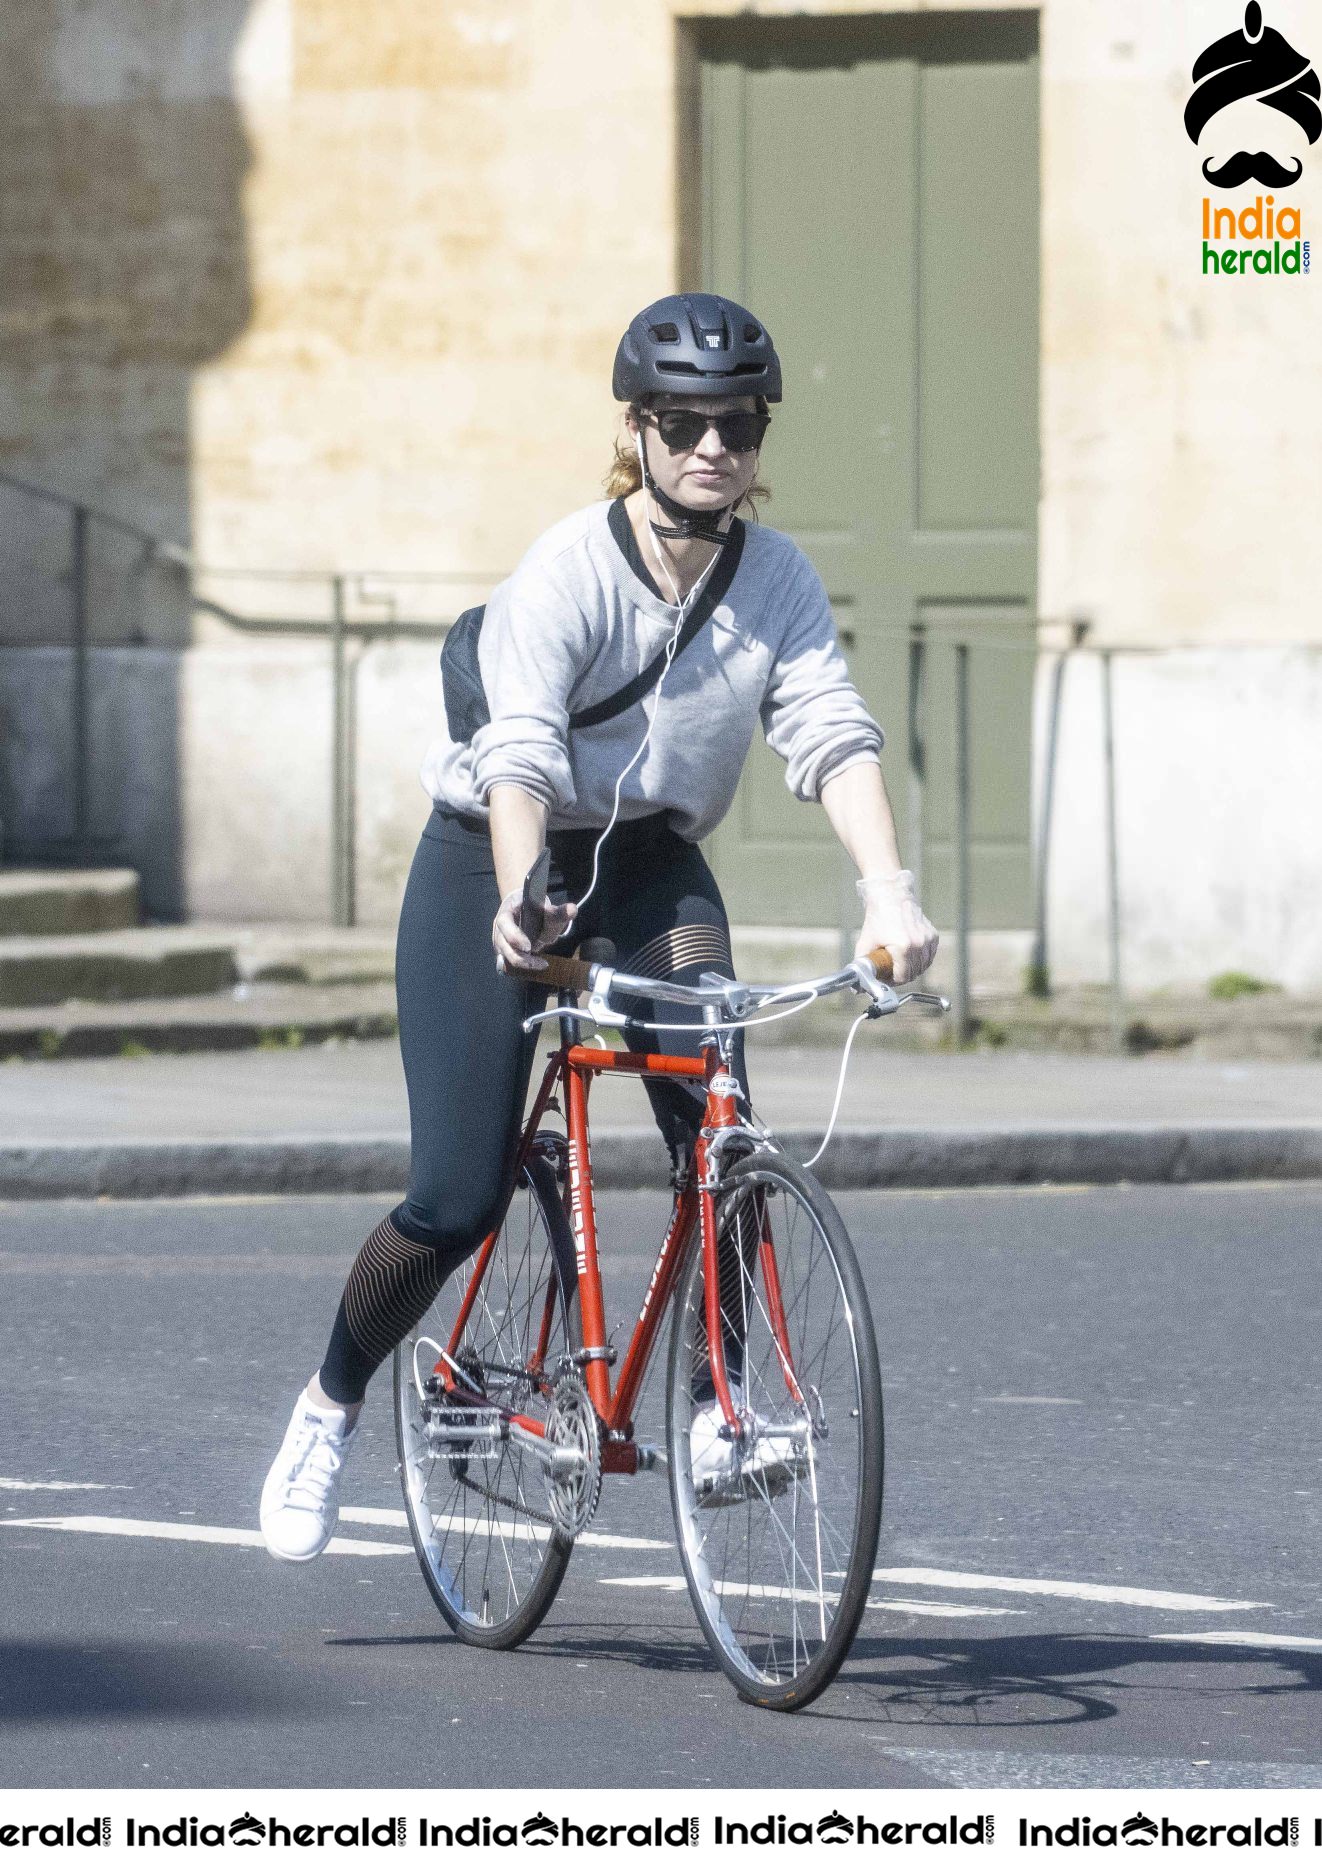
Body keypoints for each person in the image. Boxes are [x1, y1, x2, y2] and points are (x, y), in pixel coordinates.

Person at [260, 291, 938, 1561]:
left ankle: (720, 1408)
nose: (711, 448)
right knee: (457, 1191)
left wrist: (888, 894)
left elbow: (831, 732)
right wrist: (522, 891)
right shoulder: (569, 567)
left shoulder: (774, 579)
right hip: (493, 859)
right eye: (683, 421)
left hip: (647, 867)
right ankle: (328, 1402)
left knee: (719, 1123)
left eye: (737, 424)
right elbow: (517, 748)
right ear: (637, 429)